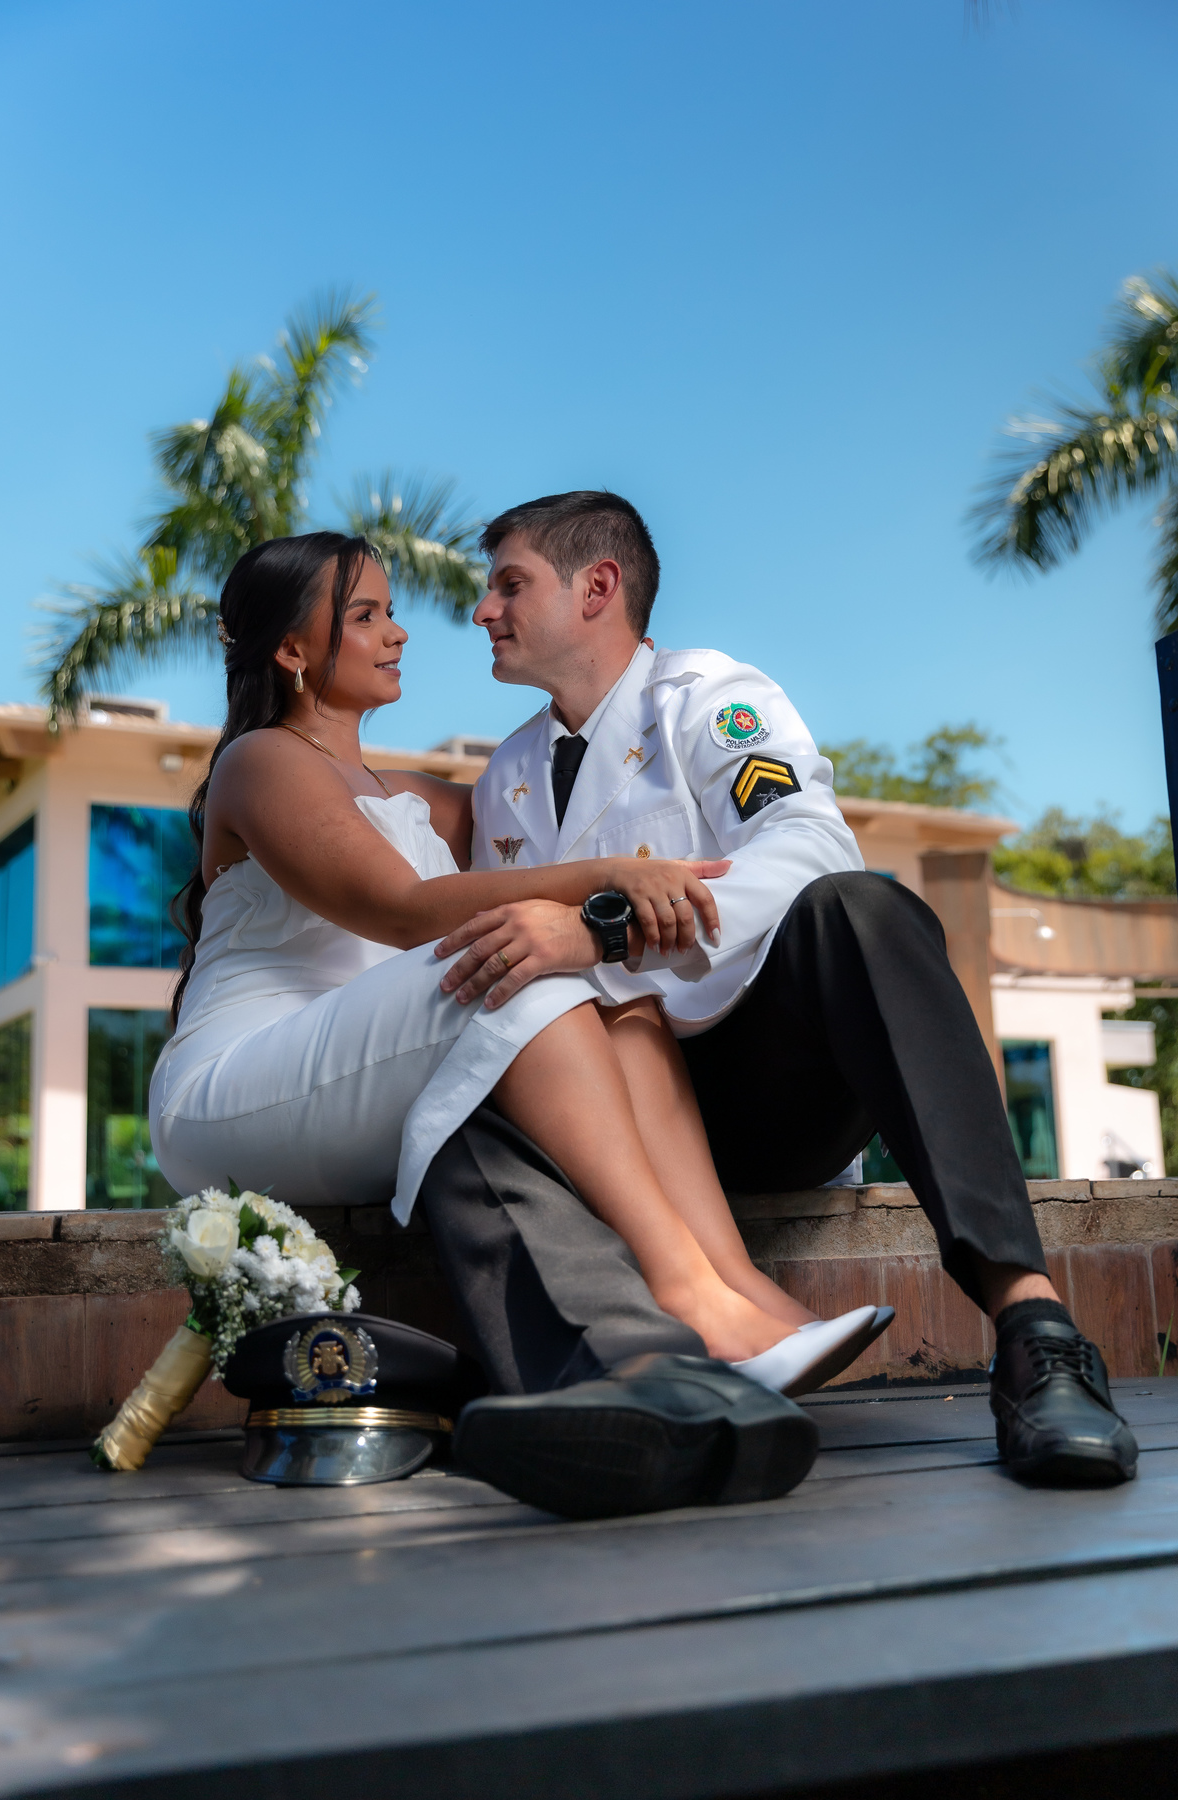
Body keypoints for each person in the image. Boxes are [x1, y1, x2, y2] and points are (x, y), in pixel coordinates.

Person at [415, 490, 1138, 1503]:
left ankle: (1035, 1330)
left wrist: (605, 931)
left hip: (755, 1092)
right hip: (604, 1120)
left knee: (861, 908)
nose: (483, 610)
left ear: (597, 587)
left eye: (509, 585)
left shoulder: (710, 697)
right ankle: (657, 1370)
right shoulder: (508, 777)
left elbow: (809, 845)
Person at [149, 529, 860, 1520]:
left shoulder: (426, 800)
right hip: (237, 1091)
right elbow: (404, 910)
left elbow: (586, 796)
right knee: (517, 963)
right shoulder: (261, 764)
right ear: (293, 651)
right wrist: (612, 878)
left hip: (364, 1087)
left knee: (610, 982)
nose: (399, 633)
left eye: (391, 612)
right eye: (366, 616)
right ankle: (686, 1296)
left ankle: (736, 1290)